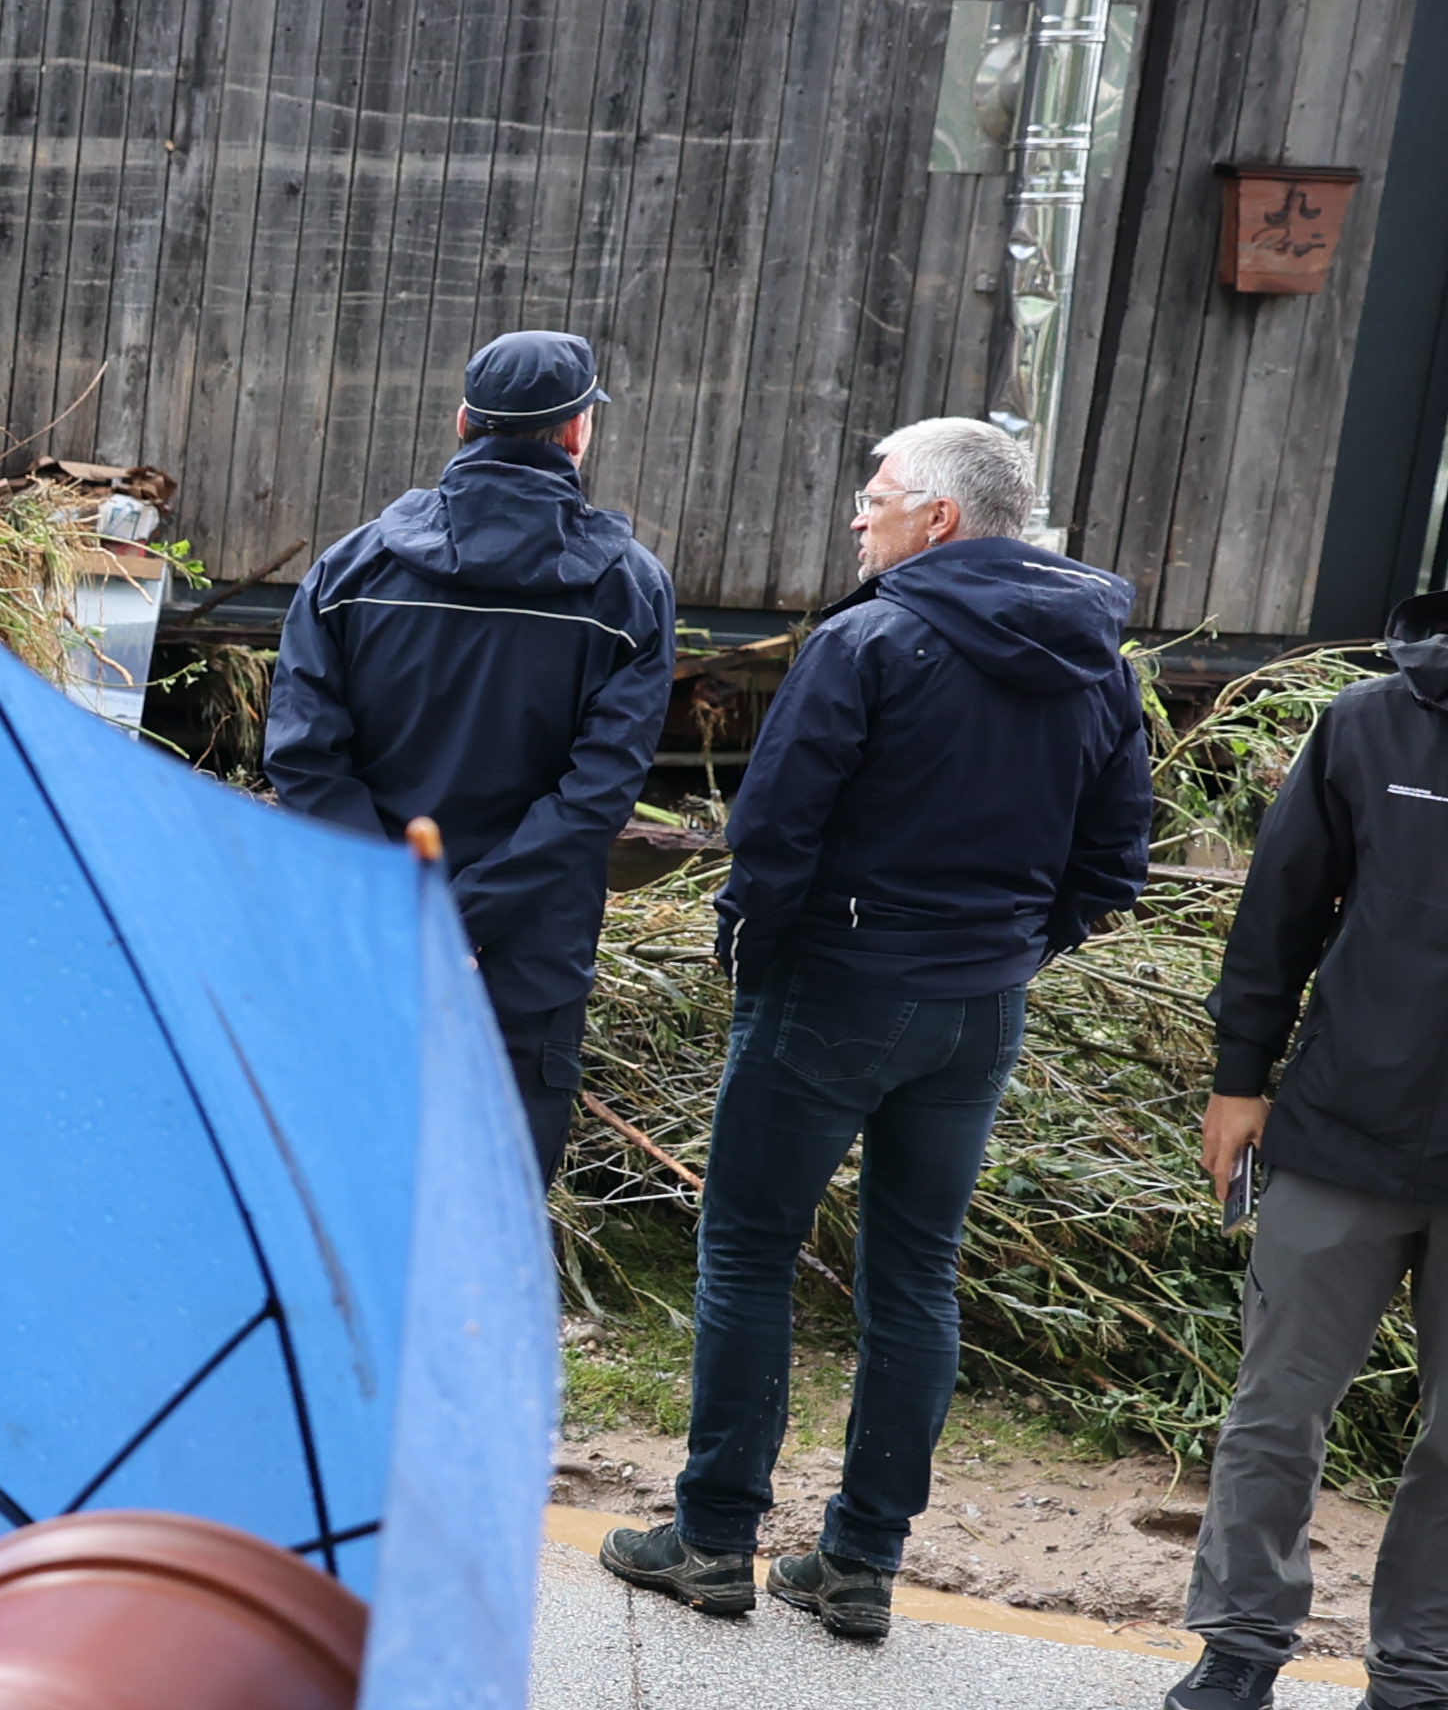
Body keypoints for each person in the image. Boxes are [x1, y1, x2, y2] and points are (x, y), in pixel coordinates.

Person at [602, 419, 1151, 1640]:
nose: (861, 512)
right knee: (915, 1276)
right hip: (980, 1009)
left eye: (879, 493)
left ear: (941, 519)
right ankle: (859, 1563)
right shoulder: (1100, 664)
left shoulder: (873, 638)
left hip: (839, 986)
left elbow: (775, 830)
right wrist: (1017, 944)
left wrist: (753, 948)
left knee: (748, 1247)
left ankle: (713, 1537)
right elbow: (1118, 860)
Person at [263, 331, 680, 1160]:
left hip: (369, 944)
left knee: (349, 1195)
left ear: (463, 423)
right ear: (576, 433)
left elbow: (304, 760)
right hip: (524, 962)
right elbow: (597, 795)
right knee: (496, 1218)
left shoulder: (350, 569)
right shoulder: (628, 589)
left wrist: (406, 913)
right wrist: (468, 924)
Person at [1164, 588, 1448, 1710]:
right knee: (1279, 1407)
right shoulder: (1374, 721)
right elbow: (1277, 908)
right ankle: (1240, 1643)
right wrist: (1241, 1078)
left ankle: (1418, 1681)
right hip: (1345, 1128)